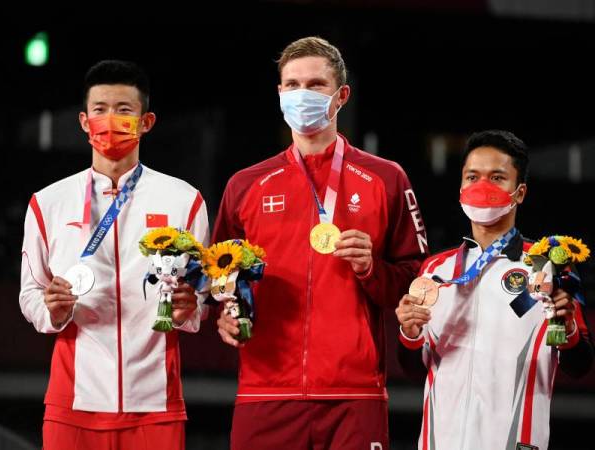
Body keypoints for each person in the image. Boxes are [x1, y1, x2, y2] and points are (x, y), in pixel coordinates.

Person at [214, 36, 428, 449]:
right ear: (279, 93)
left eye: (316, 85)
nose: (302, 95)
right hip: (265, 393)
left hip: (354, 393)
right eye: (292, 85)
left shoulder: (386, 179)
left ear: (341, 95)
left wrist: (371, 269)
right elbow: (217, 276)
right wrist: (225, 313)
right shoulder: (245, 185)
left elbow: (416, 283)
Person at [19, 60, 210, 450]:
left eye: (125, 110)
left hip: (155, 404)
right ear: (85, 122)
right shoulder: (48, 203)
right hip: (72, 402)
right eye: (100, 110)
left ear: (146, 122)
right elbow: (30, 293)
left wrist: (188, 308)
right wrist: (52, 311)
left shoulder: (184, 200)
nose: (111, 120)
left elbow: (201, 299)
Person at [396, 130, 594, 450]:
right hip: (439, 441)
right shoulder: (436, 271)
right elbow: (413, 368)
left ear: (520, 192)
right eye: (472, 176)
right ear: (460, 187)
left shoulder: (546, 265)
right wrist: (409, 332)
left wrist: (567, 326)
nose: (482, 186)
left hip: (514, 441)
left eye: (497, 177)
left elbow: (580, 365)